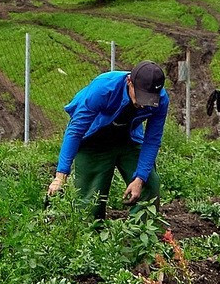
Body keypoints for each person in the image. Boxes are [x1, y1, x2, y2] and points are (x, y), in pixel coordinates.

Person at [47, 60, 169, 217]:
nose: (144, 105)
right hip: (94, 137)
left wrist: (139, 178)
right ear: (129, 82)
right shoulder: (104, 88)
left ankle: (140, 235)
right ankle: (92, 236)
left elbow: (152, 140)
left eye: (149, 99)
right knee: (90, 200)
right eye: (141, 97)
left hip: (128, 137)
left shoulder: (161, 100)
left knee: (149, 185)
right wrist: (60, 175)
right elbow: (75, 130)